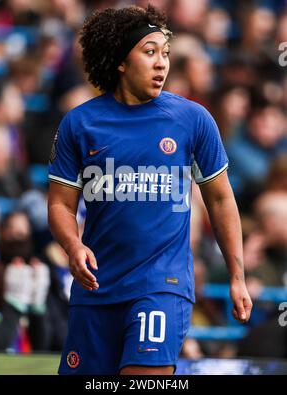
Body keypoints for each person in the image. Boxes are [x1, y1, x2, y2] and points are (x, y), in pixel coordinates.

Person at [48, 5, 252, 375]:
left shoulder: (193, 120)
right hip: (96, 289)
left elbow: (221, 199)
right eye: (150, 52)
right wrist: (73, 245)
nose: (162, 64)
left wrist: (237, 276)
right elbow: (61, 205)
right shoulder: (79, 123)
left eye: (166, 54)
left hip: (161, 284)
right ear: (121, 62)